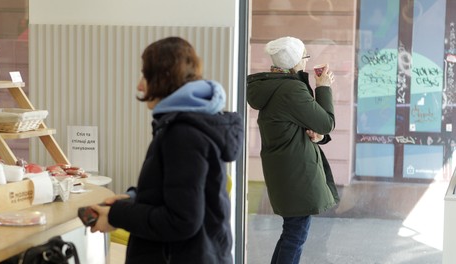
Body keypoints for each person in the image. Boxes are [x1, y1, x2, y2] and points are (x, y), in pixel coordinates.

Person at [90, 36, 244, 264]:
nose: (140, 85)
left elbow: (181, 220)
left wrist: (117, 215)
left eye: (146, 75)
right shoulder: (194, 123)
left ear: (163, 78)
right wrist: (134, 199)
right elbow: (179, 192)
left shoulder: (183, 134)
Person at [246, 36, 340, 263]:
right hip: (296, 173)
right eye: (305, 57)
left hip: (284, 170)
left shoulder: (273, 86)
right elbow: (326, 123)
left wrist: (317, 136)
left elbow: (304, 124)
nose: (307, 62)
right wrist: (323, 87)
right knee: (295, 235)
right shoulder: (291, 90)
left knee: (291, 232)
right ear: (296, 61)